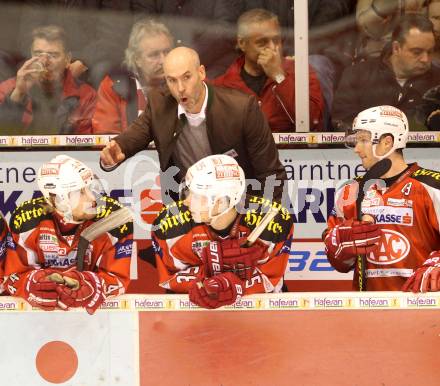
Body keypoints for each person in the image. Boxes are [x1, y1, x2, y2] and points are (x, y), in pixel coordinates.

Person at [99, 46, 287, 201]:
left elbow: (271, 173)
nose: (180, 88)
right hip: (188, 207)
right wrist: (116, 151)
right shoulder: (159, 106)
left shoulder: (242, 108)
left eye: (186, 77)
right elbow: (132, 137)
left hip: (237, 207)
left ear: (201, 72)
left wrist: (265, 219)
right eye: (172, 80)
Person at [152, 154, 294, 309]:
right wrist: (213, 280)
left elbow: (270, 278)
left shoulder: (274, 221)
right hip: (196, 312)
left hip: (258, 313)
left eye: (196, 195)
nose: (186, 201)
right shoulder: (168, 224)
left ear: (221, 201)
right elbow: (171, 278)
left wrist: (232, 284)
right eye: (188, 191)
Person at [323, 105, 440, 292]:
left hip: (423, 308)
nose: (357, 149)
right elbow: (341, 265)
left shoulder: (433, 186)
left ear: (387, 142)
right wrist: (338, 245)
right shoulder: (349, 191)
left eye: (363, 140)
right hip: (367, 309)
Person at [3, 155, 132, 313]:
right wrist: (31, 284)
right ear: (58, 199)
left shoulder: (115, 218)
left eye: (91, 187)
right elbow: (13, 278)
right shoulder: (26, 219)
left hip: (95, 320)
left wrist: (90, 285)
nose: (93, 198)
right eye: (80, 192)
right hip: (37, 318)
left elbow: (117, 280)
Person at [212, 8, 324, 132]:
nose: (272, 48)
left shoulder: (301, 71)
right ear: (242, 43)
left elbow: (314, 122)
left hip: (292, 150)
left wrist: (279, 76)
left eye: (276, 40)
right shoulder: (222, 87)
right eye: (262, 42)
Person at [333, 14, 440, 131]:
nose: (425, 59)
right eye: (417, 52)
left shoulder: (437, 81)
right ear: (396, 48)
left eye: (430, 52)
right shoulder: (357, 75)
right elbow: (342, 123)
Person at [0, 25, 97, 135]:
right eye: (38, 54)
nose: (44, 61)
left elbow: (83, 146)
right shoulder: (7, 88)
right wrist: (17, 94)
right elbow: (2, 136)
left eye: (53, 55)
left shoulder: (86, 95)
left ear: (67, 59)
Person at [92, 19, 173, 134]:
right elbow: (107, 138)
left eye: (167, 52)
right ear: (137, 59)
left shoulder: (187, 82)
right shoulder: (113, 86)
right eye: (154, 55)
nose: (163, 60)